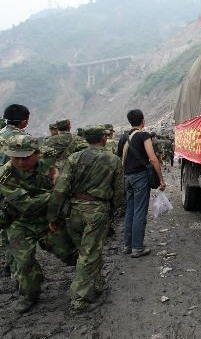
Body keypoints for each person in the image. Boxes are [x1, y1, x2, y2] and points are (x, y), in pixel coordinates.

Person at [47, 125, 124, 312]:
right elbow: (119, 190)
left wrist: (53, 215)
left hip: (74, 211)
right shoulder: (113, 160)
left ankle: (97, 284)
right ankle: (78, 300)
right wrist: (116, 210)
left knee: (87, 251)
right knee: (89, 254)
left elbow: (61, 188)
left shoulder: (74, 158)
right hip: (97, 211)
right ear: (103, 139)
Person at [0, 135, 77, 313]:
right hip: (20, 222)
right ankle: (29, 295)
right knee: (23, 262)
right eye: (14, 157)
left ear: (37, 153)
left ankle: (89, 278)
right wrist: (58, 192)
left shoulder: (47, 158)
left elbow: (58, 156)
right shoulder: (5, 175)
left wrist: (56, 172)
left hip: (48, 219)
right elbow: (26, 205)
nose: (19, 161)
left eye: (25, 156)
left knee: (69, 254)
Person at [117, 109, 165, 258]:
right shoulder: (144, 135)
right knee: (139, 211)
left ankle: (127, 245)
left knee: (130, 211)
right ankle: (137, 247)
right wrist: (161, 179)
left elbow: (120, 158)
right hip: (140, 178)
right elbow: (153, 158)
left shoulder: (123, 138)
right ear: (143, 121)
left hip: (128, 178)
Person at [0, 104, 30, 278]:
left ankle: (6, 263)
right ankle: (15, 267)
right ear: (24, 122)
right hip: (16, 191)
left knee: (4, 226)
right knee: (18, 229)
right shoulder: (23, 138)